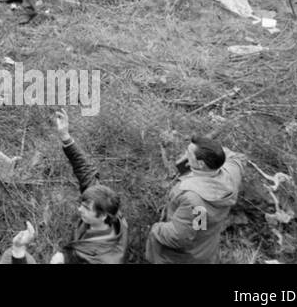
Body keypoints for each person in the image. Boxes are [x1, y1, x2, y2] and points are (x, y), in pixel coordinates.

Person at [145, 135, 245, 264]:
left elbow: (180, 237)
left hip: (186, 256)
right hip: (207, 246)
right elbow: (238, 157)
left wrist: (157, 228)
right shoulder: (231, 175)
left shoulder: (194, 200)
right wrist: (212, 150)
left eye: (188, 153)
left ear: (201, 164)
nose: (185, 154)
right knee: (200, 228)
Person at [49, 110, 127, 263]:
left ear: (103, 215)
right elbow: (85, 171)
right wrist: (65, 136)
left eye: (86, 208)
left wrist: (63, 258)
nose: (79, 209)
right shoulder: (104, 204)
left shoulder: (106, 259)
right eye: (82, 205)